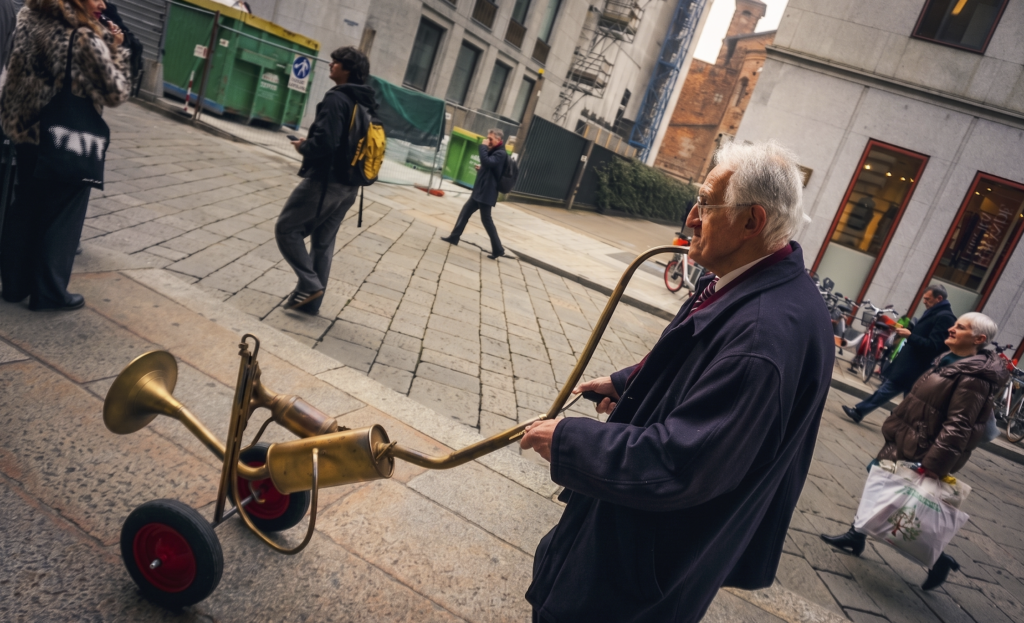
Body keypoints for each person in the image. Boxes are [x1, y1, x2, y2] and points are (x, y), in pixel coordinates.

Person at [519, 141, 835, 623]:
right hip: (644, 543)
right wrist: (628, 383)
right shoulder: (753, 281)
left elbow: (682, 463)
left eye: (708, 204)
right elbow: (702, 363)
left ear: (752, 221)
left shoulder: (763, 337)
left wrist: (568, 439)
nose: (691, 216)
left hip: (642, 562)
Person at [821, 312, 1007, 590]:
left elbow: (959, 425)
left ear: (979, 339)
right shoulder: (950, 359)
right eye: (955, 325)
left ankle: (938, 560)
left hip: (923, 447)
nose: (952, 328)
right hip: (910, 438)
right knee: (879, 483)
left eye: (961, 327)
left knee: (904, 503)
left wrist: (933, 464)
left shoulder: (973, 376)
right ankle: (856, 535)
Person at [0, 0, 130, 311]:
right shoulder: (84, 35)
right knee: (63, 213)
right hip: (63, 135)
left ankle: (14, 286)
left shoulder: (29, 15)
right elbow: (116, 91)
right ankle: (50, 292)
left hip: (25, 128)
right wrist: (115, 49)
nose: (102, 3)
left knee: (27, 203)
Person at [275, 46, 375, 314]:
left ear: (348, 69)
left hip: (325, 182)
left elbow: (327, 143)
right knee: (323, 242)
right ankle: (311, 305)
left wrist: (304, 147)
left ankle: (308, 284)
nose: (331, 64)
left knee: (286, 229)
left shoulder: (337, 99)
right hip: (350, 185)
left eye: (337, 62)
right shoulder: (363, 101)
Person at [842, 284, 956, 423]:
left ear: (939, 298)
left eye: (927, 299)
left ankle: (864, 414)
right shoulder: (935, 312)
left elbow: (934, 346)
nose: (924, 302)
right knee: (898, 396)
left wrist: (910, 336)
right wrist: (910, 331)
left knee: (900, 398)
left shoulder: (945, 317)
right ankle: (862, 412)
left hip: (917, 368)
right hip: (911, 366)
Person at [440, 129, 507, 260]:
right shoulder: (495, 151)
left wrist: (482, 146)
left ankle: (498, 249)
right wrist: (481, 169)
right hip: (480, 191)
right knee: (465, 212)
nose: (487, 141)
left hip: (486, 193)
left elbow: (488, 162)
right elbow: (488, 166)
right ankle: (454, 237)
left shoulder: (501, 153)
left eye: (490, 139)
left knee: (486, 220)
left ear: (498, 140)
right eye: (487, 138)